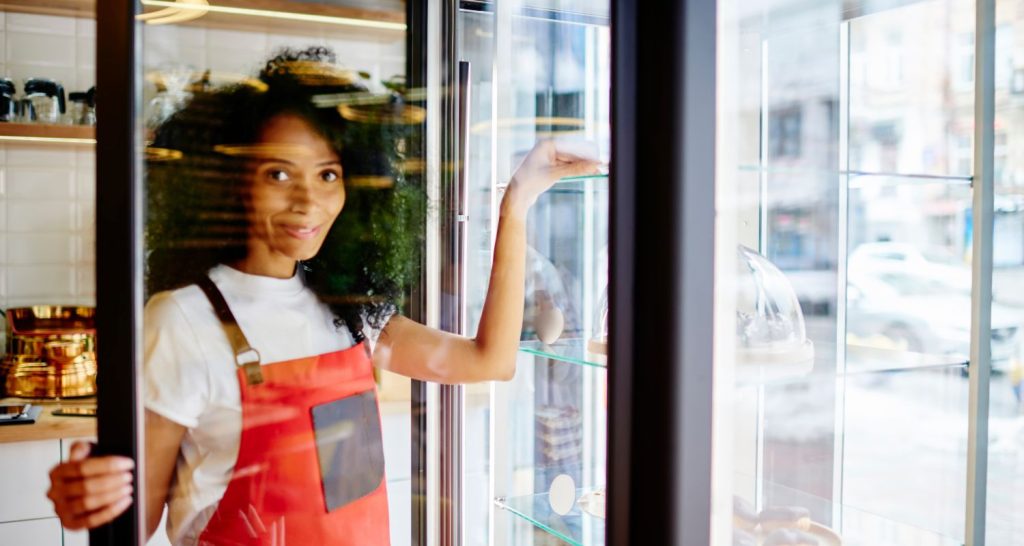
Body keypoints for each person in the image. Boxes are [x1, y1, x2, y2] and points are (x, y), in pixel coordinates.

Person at [45, 47, 598, 545]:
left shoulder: (348, 312)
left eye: (328, 174)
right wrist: (87, 498)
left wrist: (517, 200)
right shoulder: (182, 320)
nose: (309, 201)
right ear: (230, 181)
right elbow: (132, 523)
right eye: (279, 173)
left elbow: (490, 361)